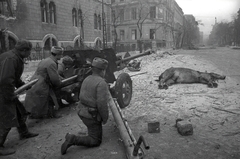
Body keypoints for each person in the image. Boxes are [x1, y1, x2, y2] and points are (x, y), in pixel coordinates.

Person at [61, 57, 112, 155]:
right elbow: (102, 105)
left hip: (81, 111)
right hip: (90, 116)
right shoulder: (101, 83)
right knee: (95, 140)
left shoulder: (87, 78)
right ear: (103, 70)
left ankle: (91, 130)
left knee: (93, 128)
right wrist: (105, 118)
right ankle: (73, 139)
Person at [0, 39, 39, 156]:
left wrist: (22, 85)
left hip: (5, 90)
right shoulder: (11, 59)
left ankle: (24, 132)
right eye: (29, 52)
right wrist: (9, 96)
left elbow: (13, 77)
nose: (29, 54)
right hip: (3, 92)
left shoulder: (15, 57)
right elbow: (5, 79)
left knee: (19, 112)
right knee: (7, 118)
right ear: (24, 50)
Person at [25, 46, 63, 119]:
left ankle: (41, 113)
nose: (61, 56)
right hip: (42, 83)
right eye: (61, 54)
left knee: (36, 100)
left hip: (35, 81)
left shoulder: (45, 60)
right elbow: (54, 79)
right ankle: (51, 113)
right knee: (51, 96)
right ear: (58, 55)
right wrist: (60, 83)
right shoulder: (52, 63)